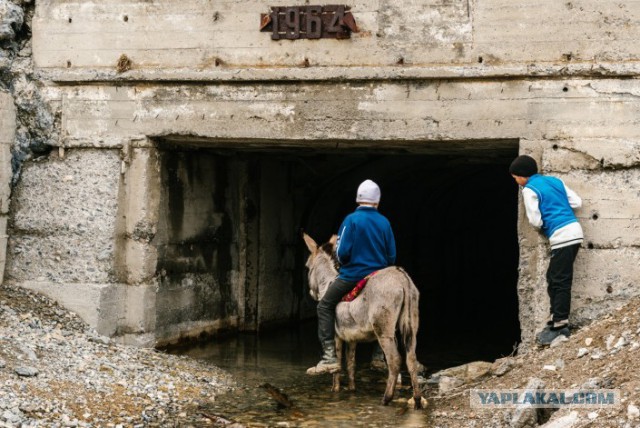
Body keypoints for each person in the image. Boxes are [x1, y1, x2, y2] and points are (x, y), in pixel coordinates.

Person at [306, 179, 397, 375]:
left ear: (358, 200)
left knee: (324, 306)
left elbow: (343, 251)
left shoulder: (350, 220)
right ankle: (379, 356)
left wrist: (343, 262)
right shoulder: (384, 222)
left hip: (353, 275)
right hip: (378, 276)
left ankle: (329, 358)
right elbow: (391, 255)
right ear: (377, 201)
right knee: (388, 311)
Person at [509, 155, 584, 345]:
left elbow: (534, 220)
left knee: (559, 280)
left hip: (562, 236)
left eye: (515, 177)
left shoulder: (529, 189)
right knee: (553, 277)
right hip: (575, 231)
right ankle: (555, 320)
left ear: (522, 176)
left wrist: (544, 227)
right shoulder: (554, 180)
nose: (516, 181)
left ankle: (560, 327)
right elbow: (577, 202)